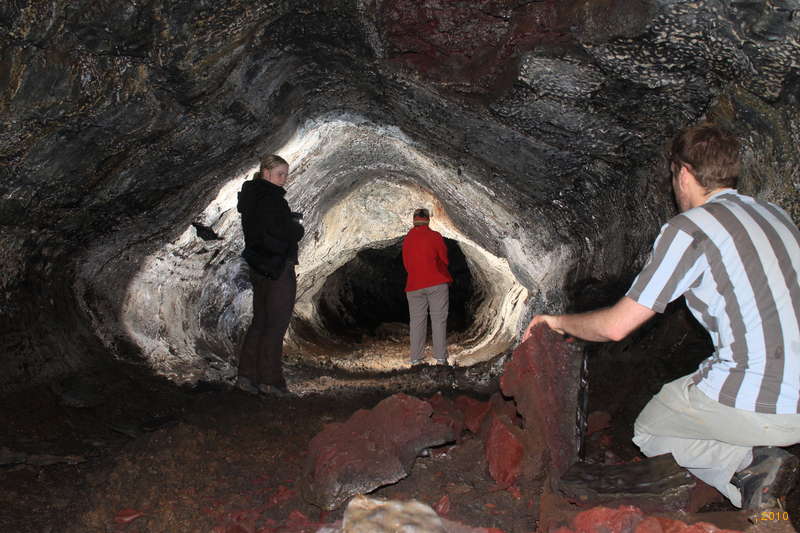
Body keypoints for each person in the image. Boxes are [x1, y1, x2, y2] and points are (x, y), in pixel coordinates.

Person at [523, 123, 800, 510]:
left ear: (684, 172)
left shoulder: (689, 229)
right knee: (707, 389)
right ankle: (766, 507)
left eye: (674, 176)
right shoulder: (777, 216)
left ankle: (750, 466)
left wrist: (556, 322)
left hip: (761, 401)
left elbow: (617, 326)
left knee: (651, 429)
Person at [236, 154, 304, 395]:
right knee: (276, 324)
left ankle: (247, 376)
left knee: (260, 321)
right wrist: (296, 228)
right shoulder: (271, 198)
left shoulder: (250, 197)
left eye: (286, 174)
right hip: (277, 267)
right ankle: (271, 380)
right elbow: (280, 230)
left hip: (258, 266)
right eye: (279, 174)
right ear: (266, 173)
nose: (284, 179)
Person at [402, 208, 453, 366]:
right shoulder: (435, 236)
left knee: (417, 322)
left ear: (414, 221)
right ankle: (440, 358)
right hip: (436, 283)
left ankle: (416, 359)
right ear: (428, 220)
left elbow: (406, 264)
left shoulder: (407, 240)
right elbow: (445, 259)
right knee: (438, 320)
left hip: (414, 285)